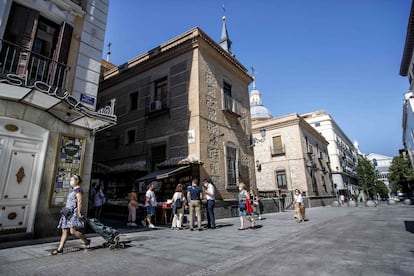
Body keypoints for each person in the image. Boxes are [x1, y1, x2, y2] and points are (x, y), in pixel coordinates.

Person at [52, 174, 90, 255]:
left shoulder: (78, 190)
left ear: (77, 181)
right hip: (67, 212)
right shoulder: (73, 190)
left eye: (72, 180)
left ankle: (86, 241)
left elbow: (79, 202)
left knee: (72, 231)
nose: (71, 182)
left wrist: (79, 212)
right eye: (71, 180)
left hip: (73, 213)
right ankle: (60, 249)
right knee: (64, 230)